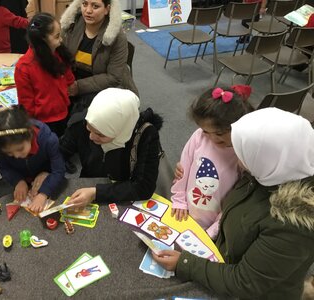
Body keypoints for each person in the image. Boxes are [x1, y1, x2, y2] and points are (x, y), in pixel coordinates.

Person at [153, 108, 314, 299]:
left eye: (241, 151)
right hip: (221, 262)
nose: (234, 157)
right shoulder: (266, 174)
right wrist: (189, 171)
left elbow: (244, 282)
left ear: (265, 158)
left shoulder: (293, 225)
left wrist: (185, 264)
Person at [171, 86, 254, 240]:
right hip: (185, 212)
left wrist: (213, 230)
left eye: (220, 133)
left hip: (213, 225)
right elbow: (184, 168)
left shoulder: (242, 155)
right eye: (206, 131)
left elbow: (235, 200)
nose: (213, 139)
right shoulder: (198, 137)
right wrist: (179, 200)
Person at [60, 88, 162, 207]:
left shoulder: (146, 134)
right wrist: (45, 171)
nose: (92, 137)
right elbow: (60, 151)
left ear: (120, 130)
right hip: (87, 184)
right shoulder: (86, 121)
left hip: (122, 194)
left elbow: (143, 187)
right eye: (89, 129)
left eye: (100, 134)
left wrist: (96, 193)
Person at [60, 0, 138, 113]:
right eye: (84, 4)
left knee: (79, 121)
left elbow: (113, 77)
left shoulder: (117, 37)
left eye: (95, 6)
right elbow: (62, 55)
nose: (88, 11)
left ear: (107, 9)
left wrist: (78, 87)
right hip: (72, 81)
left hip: (102, 88)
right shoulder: (73, 25)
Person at [0, 106, 65, 213]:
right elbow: (3, 167)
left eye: (20, 149)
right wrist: (18, 181)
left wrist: (43, 194)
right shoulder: (1, 147)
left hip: (49, 179)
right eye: (9, 153)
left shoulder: (48, 140)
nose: (16, 156)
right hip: (24, 182)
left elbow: (59, 170)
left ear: (30, 135)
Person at [15, 13, 75, 138]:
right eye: (57, 36)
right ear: (42, 39)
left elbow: (69, 79)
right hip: (43, 123)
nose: (61, 40)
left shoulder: (59, 53)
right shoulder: (24, 66)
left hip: (64, 113)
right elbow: (26, 104)